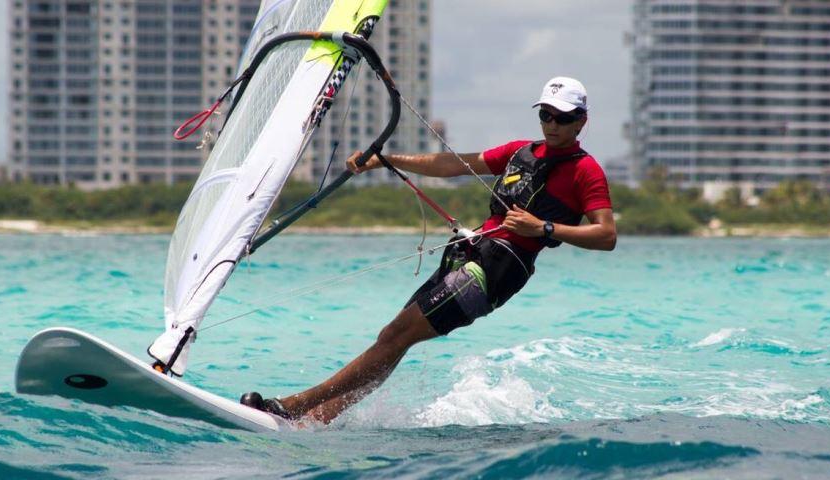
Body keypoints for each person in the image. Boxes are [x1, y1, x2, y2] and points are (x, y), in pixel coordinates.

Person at [241, 76, 617, 423]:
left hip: (498, 272)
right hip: (472, 254)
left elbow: (606, 235)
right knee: (393, 340)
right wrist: (386, 161)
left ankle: (292, 407)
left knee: (395, 335)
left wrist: (543, 228)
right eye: (546, 115)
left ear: (581, 122)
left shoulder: (586, 171)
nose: (552, 125)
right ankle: (317, 421)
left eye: (562, 118)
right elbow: (453, 164)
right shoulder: (521, 152)